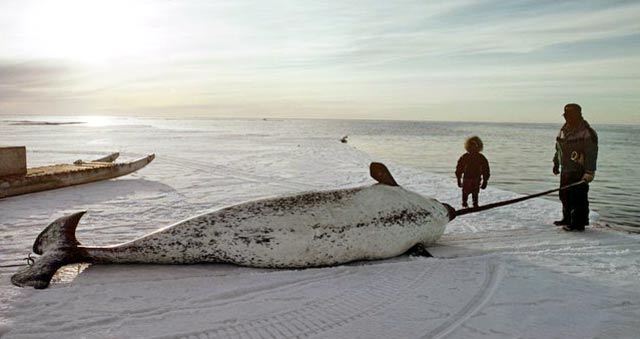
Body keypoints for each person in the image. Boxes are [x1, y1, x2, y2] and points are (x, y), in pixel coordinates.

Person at [552, 103, 598, 232]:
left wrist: (589, 172)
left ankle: (578, 223)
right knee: (564, 195)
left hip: (579, 171)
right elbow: (558, 148)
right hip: (566, 169)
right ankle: (567, 219)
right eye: (566, 115)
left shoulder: (587, 132)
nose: (567, 117)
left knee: (578, 198)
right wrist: (556, 163)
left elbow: (591, 153)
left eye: (570, 115)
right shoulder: (563, 130)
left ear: (578, 114)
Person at [456, 136, 490, 208]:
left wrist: (485, 181)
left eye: (475, 146)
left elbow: (486, 170)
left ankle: (475, 204)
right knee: (465, 192)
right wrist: (458, 179)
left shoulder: (481, 158)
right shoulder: (465, 157)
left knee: (475, 192)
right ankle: (464, 204)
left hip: (476, 178)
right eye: (471, 146)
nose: (473, 148)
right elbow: (459, 168)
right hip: (467, 178)